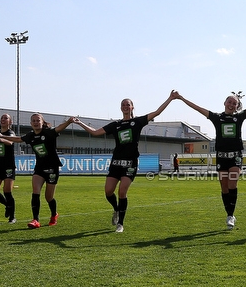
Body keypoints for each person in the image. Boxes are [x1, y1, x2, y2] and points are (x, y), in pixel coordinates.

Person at [71, 93, 175, 233]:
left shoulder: (138, 122)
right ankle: (116, 209)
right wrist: (79, 123)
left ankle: (120, 224)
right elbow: (95, 132)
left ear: (132, 107)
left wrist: (170, 98)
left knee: (122, 191)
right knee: (108, 191)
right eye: (123, 104)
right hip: (116, 162)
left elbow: (157, 112)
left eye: (128, 104)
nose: (125, 106)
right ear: (120, 108)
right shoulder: (116, 124)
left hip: (130, 163)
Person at [171, 84, 246, 229]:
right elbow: (197, 108)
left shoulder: (239, 118)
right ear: (224, 103)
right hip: (221, 157)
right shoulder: (217, 118)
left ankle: (230, 215)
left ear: (237, 106)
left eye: (234, 103)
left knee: (232, 184)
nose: (231, 104)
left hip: (235, 157)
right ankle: (229, 214)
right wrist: (181, 98)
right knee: (224, 188)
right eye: (229, 102)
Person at [0, 113, 75, 228]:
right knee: (35, 192)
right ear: (30, 123)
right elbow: (18, 139)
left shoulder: (48, 132)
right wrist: (3, 137)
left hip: (52, 168)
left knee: (49, 197)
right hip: (39, 168)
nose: (36, 122)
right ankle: (35, 220)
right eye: (33, 121)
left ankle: (54, 214)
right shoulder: (31, 135)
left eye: (38, 120)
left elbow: (59, 128)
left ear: (42, 122)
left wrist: (68, 122)